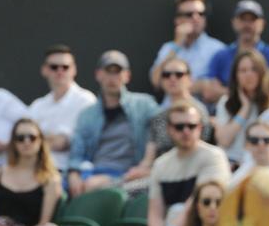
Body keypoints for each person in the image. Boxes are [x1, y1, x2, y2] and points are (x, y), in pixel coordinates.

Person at [106, 101, 230, 226]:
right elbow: (155, 212)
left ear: (200, 128)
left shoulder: (214, 156)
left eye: (191, 126)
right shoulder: (161, 164)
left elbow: (196, 202)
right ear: (169, 130)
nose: (186, 131)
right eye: (179, 127)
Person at [67, 51, 159, 197]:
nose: (112, 78)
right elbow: (76, 153)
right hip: (91, 171)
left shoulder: (144, 104)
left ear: (127, 75)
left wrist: (146, 164)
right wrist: (73, 173)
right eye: (108, 71)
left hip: (129, 174)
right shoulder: (87, 114)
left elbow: (160, 130)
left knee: (93, 186)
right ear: (98, 74)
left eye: (117, 72)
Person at [28, 44, 97, 171]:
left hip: (71, 172)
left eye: (65, 67)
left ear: (74, 69)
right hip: (35, 171)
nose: (60, 71)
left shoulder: (86, 100)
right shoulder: (37, 105)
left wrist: (40, 139)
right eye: (54, 67)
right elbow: (25, 140)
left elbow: (61, 143)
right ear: (44, 70)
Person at [203, 0, 269, 106]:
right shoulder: (221, 56)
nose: (247, 25)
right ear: (234, 22)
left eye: (252, 20)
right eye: (243, 19)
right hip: (229, 112)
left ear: (262, 23)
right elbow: (209, 92)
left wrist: (226, 92)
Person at [150, 0, 225, 94]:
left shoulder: (217, 49)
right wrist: (177, 45)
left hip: (201, 109)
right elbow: (156, 81)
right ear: (178, 20)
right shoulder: (168, 48)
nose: (196, 18)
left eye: (201, 14)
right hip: (170, 108)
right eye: (189, 14)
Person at [145, 56, 212, 160]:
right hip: (160, 169)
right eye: (166, 75)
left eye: (179, 74)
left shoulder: (198, 112)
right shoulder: (159, 116)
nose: (172, 78)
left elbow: (203, 147)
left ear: (190, 79)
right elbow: (149, 156)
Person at [214, 49, 269, 167]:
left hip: (258, 166)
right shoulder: (225, 102)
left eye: (253, 69)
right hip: (229, 164)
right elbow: (224, 140)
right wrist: (245, 108)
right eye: (243, 71)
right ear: (236, 75)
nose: (248, 74)